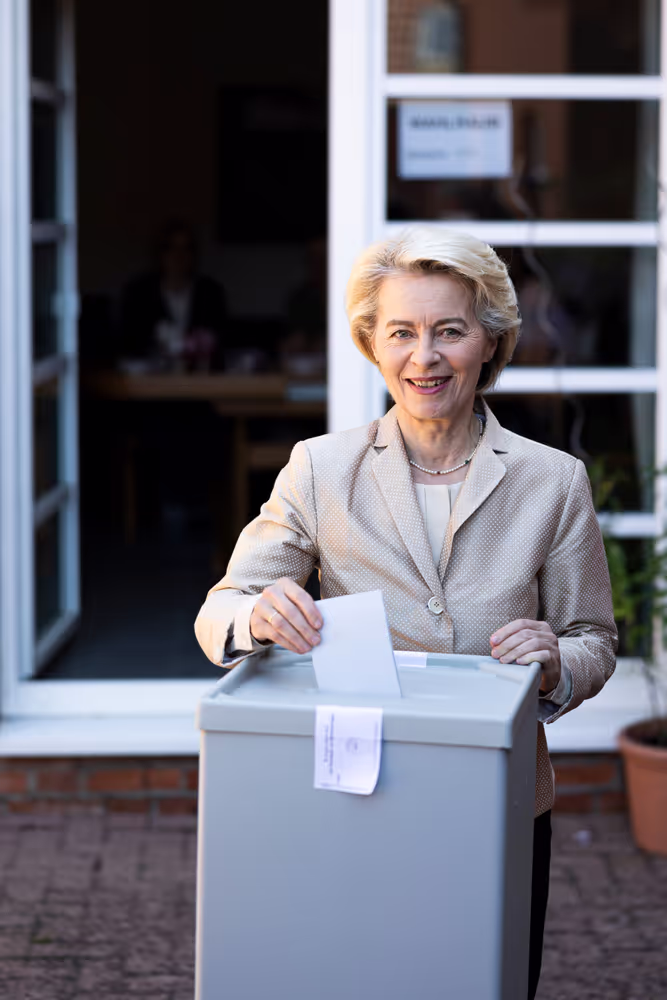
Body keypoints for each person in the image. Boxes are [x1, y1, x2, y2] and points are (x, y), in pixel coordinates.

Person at [194, 227, 617, 999]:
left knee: (487, 979)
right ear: (371, 344)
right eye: (401, 333)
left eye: (448, 331)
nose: (424, 356)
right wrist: (258, 617)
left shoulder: (552, 482)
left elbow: (594, 639)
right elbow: (223, 607)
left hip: (500, 794)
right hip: (351, 790)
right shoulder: (320, 468)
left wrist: (557, 658)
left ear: (489, 342)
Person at [120, 220, 227, 369]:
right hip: (152, 382)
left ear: (194, 255)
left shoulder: (210, 293)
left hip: (200, 380)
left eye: (186, 249)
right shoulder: (139, 293)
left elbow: (220, 341)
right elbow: (130, 343)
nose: (178, 256)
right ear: (160, 254)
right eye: (171, 248)